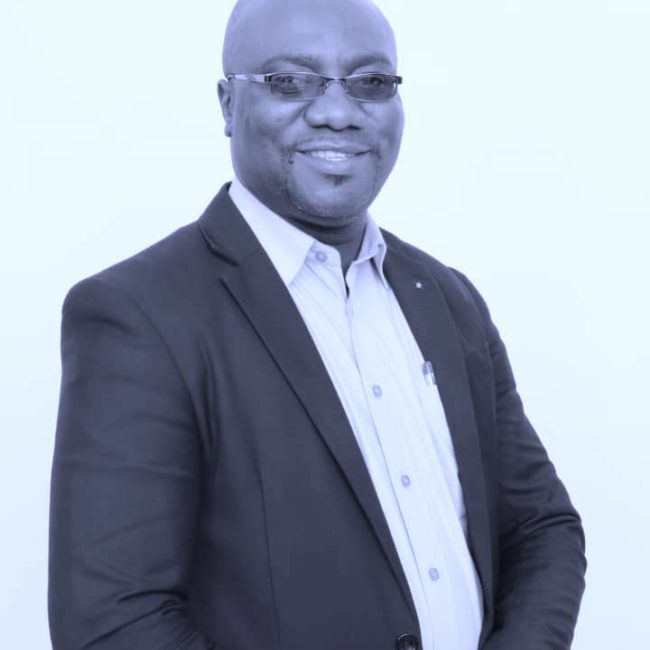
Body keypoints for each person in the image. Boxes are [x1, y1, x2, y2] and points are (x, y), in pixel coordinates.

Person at [48, 0, 586, 648]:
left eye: (371, 82)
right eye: (290, 81)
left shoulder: (446, 298)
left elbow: (541, 528)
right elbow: (115, 621)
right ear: (227, 104)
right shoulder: (139, 316)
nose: (337, 111)